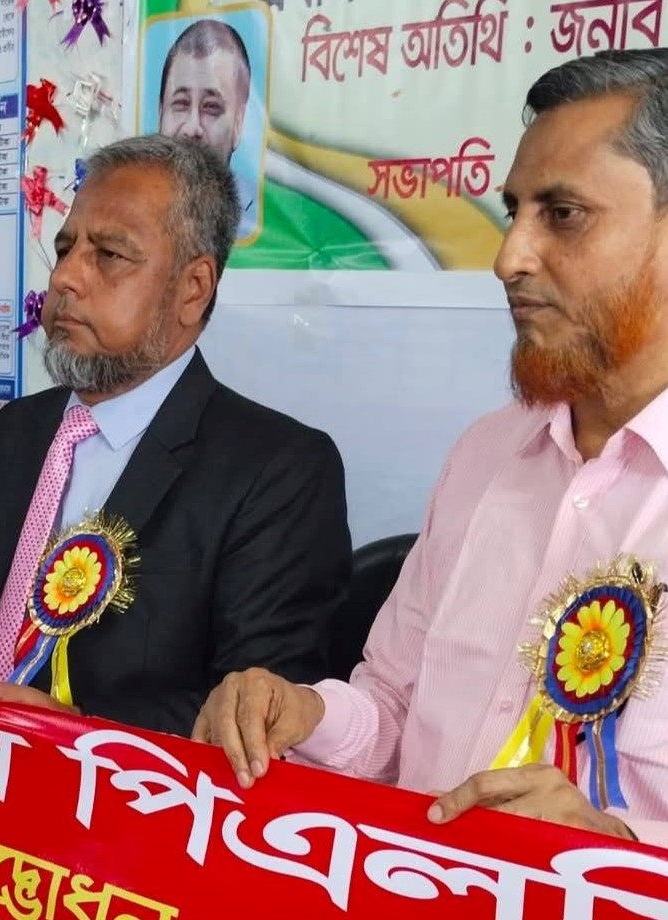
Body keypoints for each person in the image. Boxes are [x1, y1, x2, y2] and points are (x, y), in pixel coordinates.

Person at [193, 50, 668, 846]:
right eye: (513, 211)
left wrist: (616, 849)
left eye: (562, 214)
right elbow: (389, 713)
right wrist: (303, 712)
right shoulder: (486, 456)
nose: (508, 258)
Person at [0, 136, 349, 738]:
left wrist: (78, 731)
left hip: (108, 790)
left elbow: (256, 718)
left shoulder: (277, 472)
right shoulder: (20, 431)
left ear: (193, 287)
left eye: (109, 255)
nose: (67, 277)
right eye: (65, 247)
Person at [156, 19, 256, 236]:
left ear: (238, 124)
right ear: (160, 112)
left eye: (211, 107)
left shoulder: (257, 219)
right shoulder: (129, 214)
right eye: (181, 104)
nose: (192, 128)